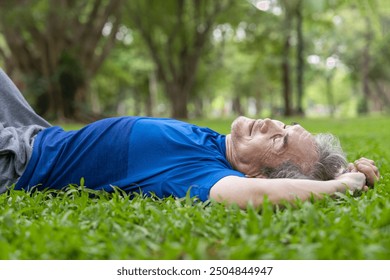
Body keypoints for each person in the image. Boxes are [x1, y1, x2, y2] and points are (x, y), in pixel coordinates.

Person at [0, 68, 380, 209]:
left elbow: (251, 198)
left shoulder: (203, 172)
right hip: (37, 130)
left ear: (258, 175)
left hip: (16, 161)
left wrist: (337, 188)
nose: (270, 123)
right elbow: (309, 167)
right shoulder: (216, 144)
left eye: (278, 141)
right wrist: (346, 171)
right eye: (286, 126)